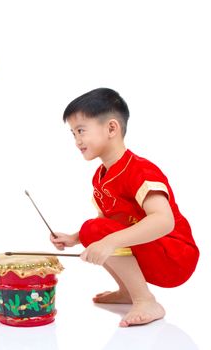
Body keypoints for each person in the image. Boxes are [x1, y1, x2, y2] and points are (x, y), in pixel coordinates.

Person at [50, 88, 199, 327]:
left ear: (111, 128)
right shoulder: (100, 176)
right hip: (151, 252)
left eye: (81, 131)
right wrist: (74, 238)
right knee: (92, 230)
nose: (77, 141)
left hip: (174, 256)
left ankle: (145, 299)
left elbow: (164, 220)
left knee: (96, 231)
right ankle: (128, 291)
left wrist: (109, 241)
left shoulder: (139, 170)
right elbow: (107, 222)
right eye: (73, 133)